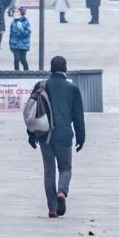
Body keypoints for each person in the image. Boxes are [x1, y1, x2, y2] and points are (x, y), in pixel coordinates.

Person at [27, 56, 86, 218]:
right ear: (65, 69)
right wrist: (81, 137)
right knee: (65, 168)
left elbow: (32, 112)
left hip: (44, 135)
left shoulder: (41, 86)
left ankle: (52, 208)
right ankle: (62, 191)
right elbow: (78, 116)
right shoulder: (72, 89)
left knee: (49, 170)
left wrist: (31, 134)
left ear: (51, 69)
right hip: (64, 135)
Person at [9, 7, 32, 71]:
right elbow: (11, 34)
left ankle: (27, 72)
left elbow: (28, 33)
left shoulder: (26, 22)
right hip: (14, 44)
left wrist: (22, 30)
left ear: (21, 13)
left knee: (23, 60)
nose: (15, 13)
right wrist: (10, 45)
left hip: (23, 44)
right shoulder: (13, 22)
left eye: (17, 12)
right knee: (16, 59)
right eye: (14, 12)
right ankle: (16, 73)